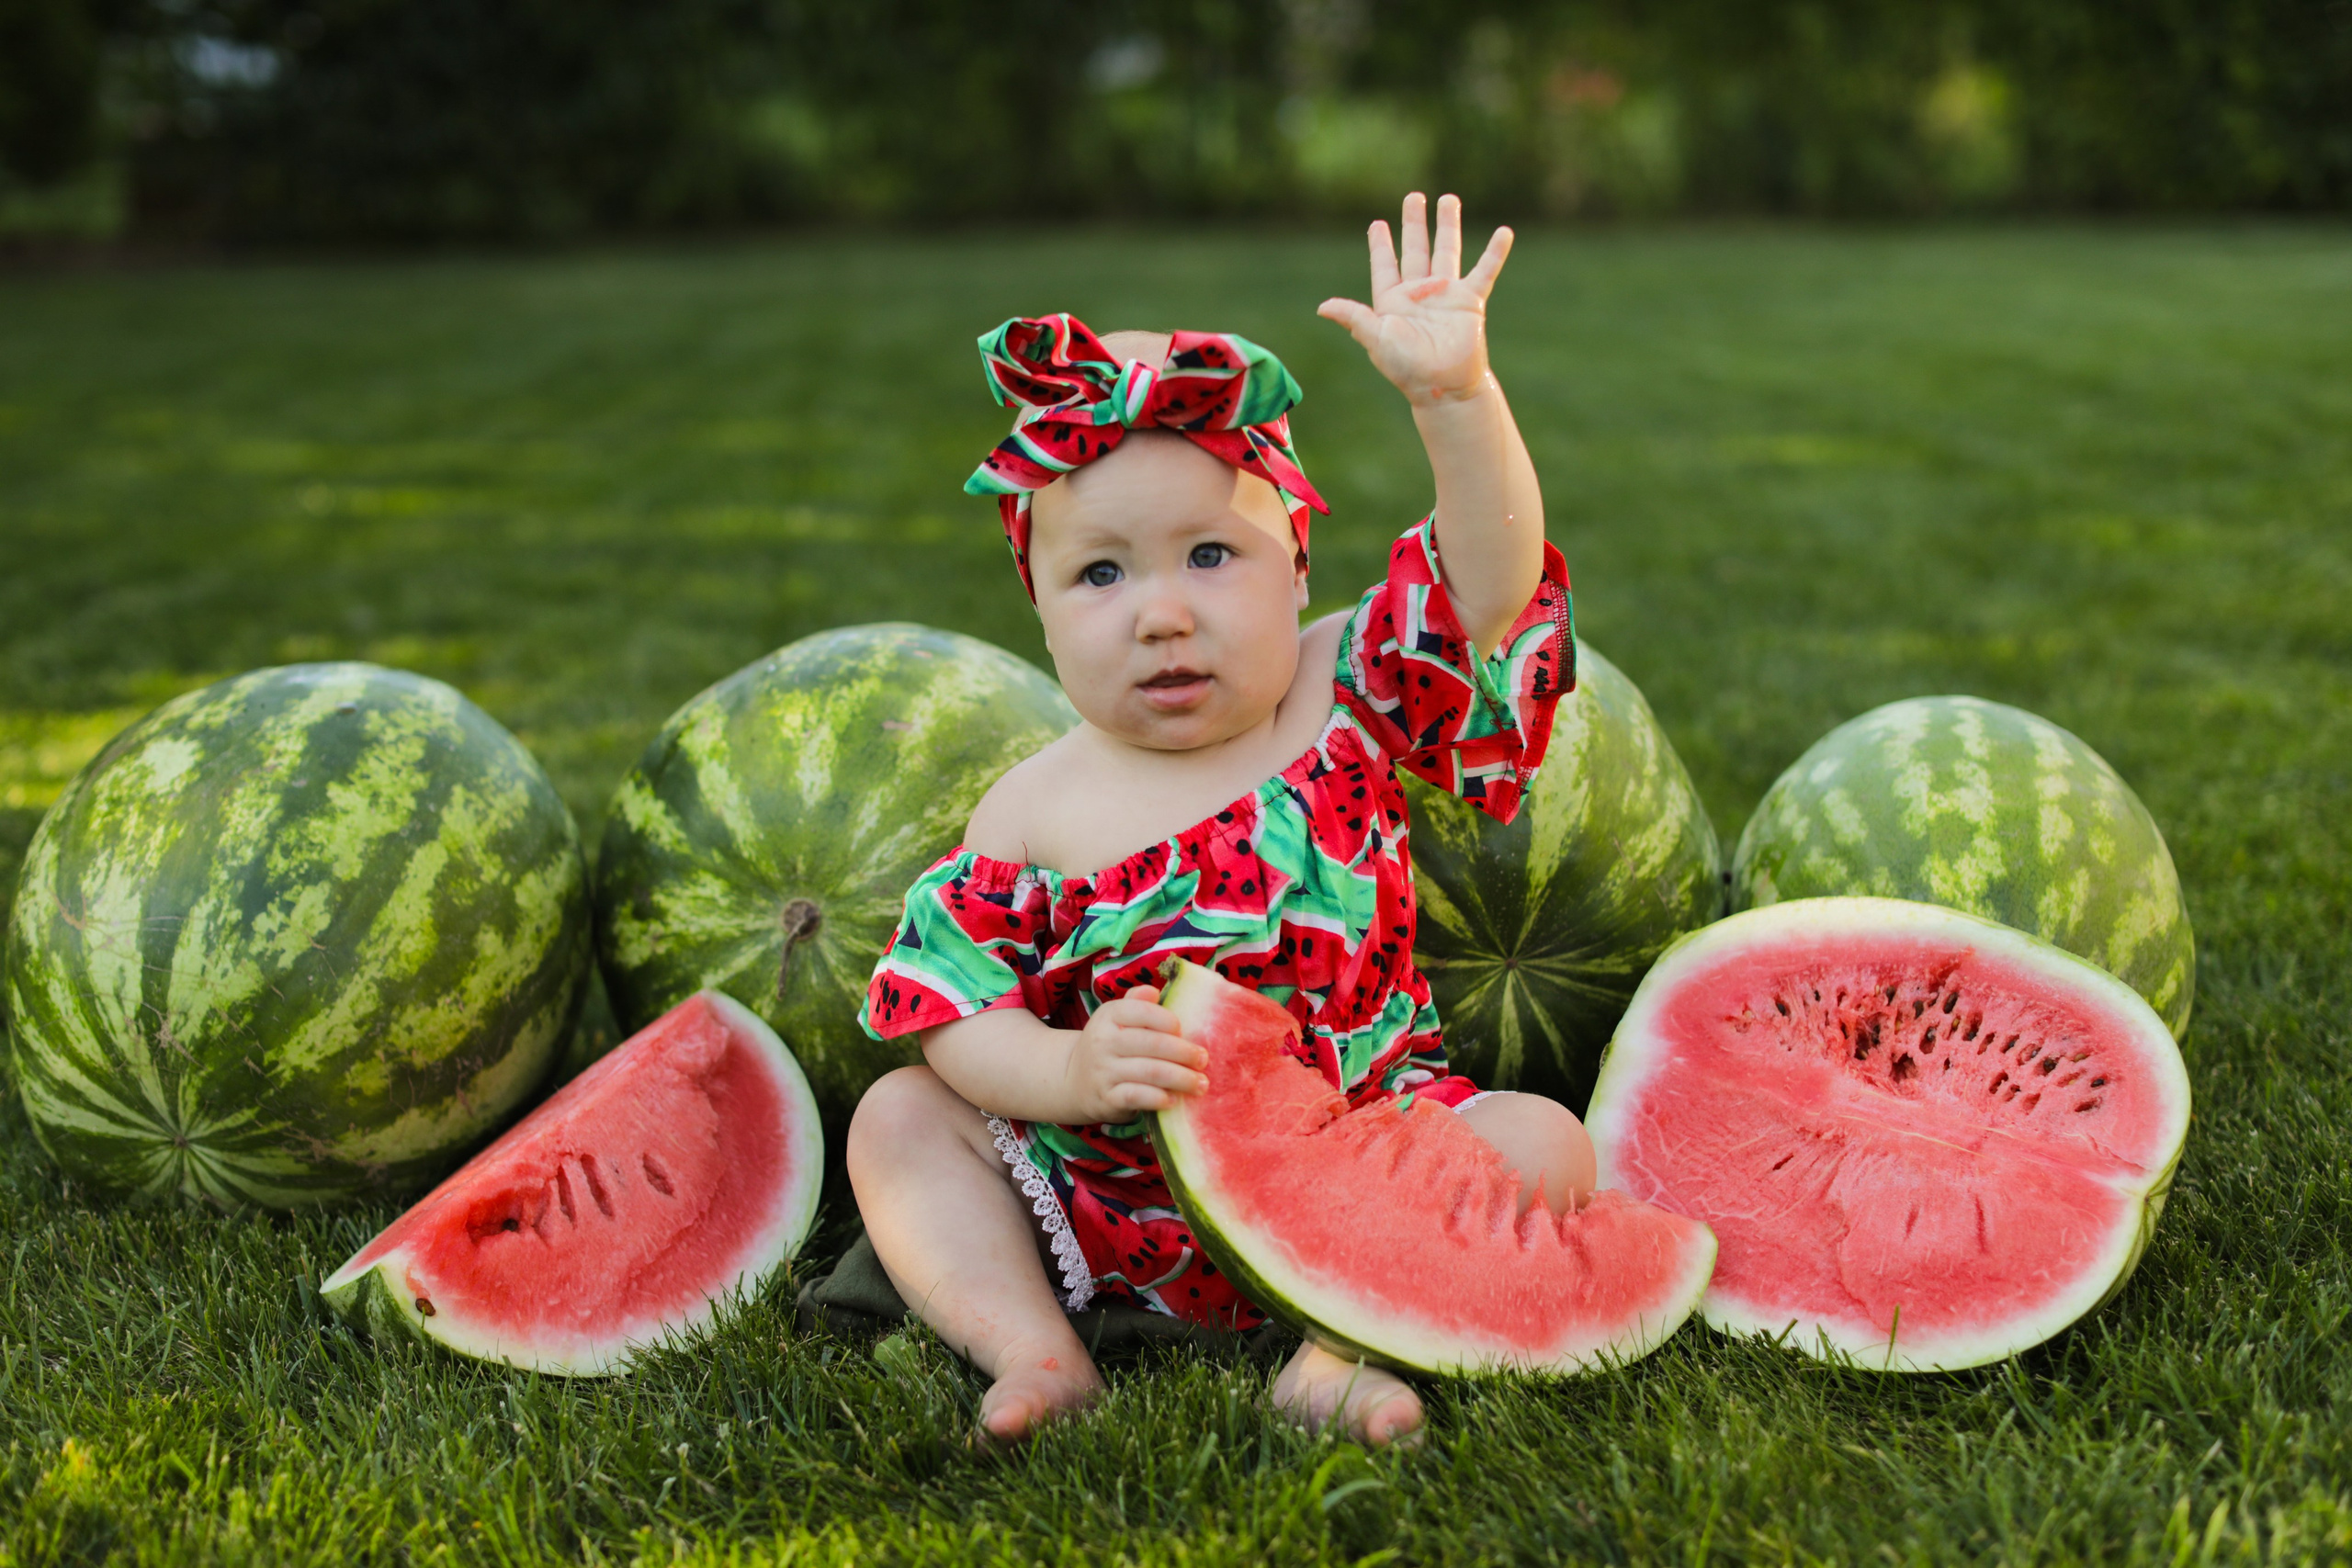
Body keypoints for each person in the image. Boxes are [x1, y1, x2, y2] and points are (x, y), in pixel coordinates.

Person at [849, 193, 1596, 1448]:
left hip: (1363, 1155)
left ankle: (1339, 1344)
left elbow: (1488, 576)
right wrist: (1067, 1073)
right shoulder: (1032, 809)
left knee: (1541, 1140)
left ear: (1299, 564)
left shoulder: (1339, 689)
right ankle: (1034, 1350)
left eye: (1211, 556)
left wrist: (1457, 400)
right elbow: (956, 1010)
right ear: (1035, 605)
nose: (1162, 614)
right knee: (902, 1120)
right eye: (1101, 572)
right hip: (1110, 1199)